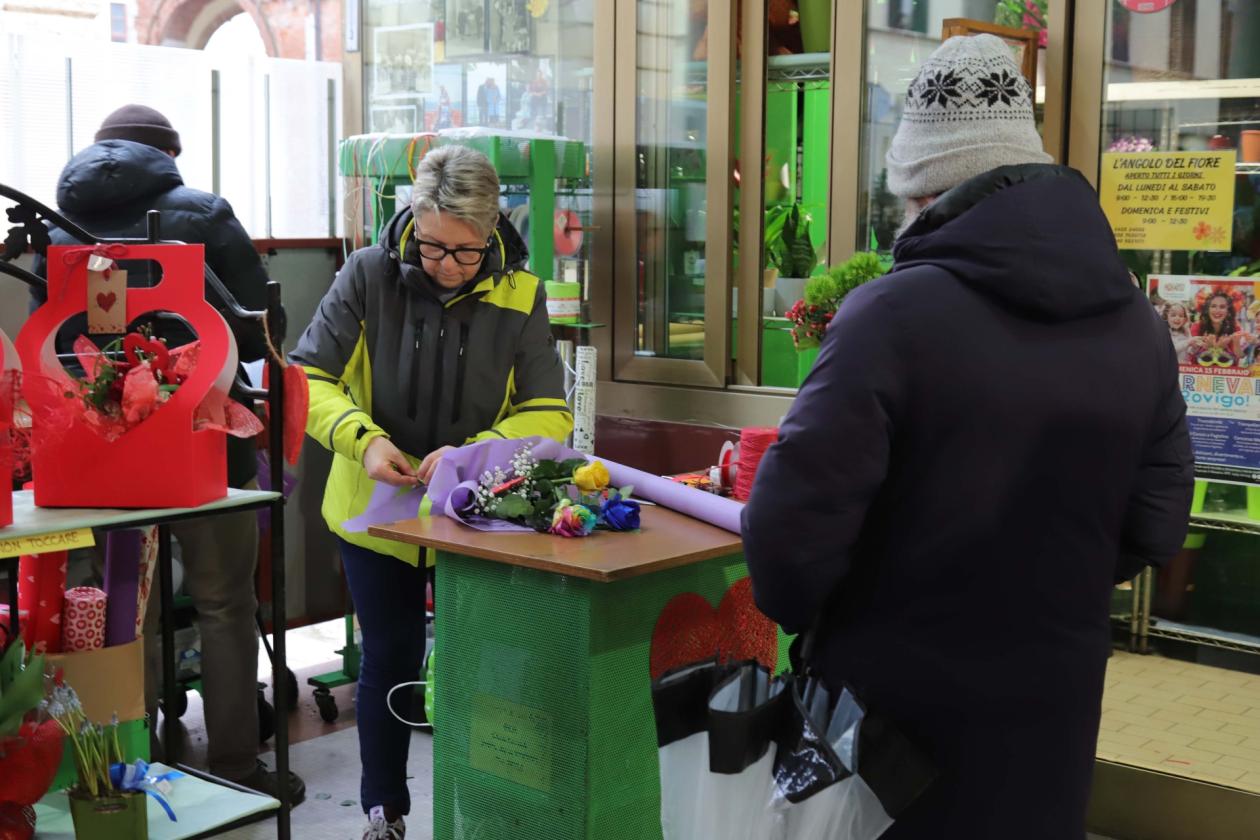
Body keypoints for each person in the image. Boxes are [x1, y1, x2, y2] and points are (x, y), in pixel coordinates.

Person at [742, 35, 1193, 840]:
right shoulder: (1139, 326)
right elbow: (1156, 524)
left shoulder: (888, 318)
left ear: (921, 190)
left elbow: (786, 545)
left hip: (888, 736)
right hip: (1051, 714)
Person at [289, 144, 572, 840]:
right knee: (388, 657)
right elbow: (308, 378)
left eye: (464, 252)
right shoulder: (367, 275)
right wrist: (362, 439)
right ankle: (383, 811)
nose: (445, 265)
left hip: (475, 512)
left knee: (481, 663)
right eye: (432, 246)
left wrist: (474, 455)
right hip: (375, 507)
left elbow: (548, 413)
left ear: (493, 229)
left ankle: (483, 810)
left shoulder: (521, 294)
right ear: (412, 220)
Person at [28, 104, 304, 802]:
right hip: (204, 444)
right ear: (169, 155)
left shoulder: (57, 226)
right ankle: (237, 767)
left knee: (129, 605)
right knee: (225, 602)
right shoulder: (203, 213)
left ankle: (133, 765)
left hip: (100, 450)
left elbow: (51, 339)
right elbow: (258, 330)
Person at [1190, 290, 1251, 362]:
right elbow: (1192, 355)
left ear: (1228, 310)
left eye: (1222, 307)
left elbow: (1240, 357)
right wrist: (1211, 348)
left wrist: (1236, 343)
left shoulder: (1235, 328)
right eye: (1213, 306)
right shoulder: (1197, 327)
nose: (1217, 310)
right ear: (1207, 309)